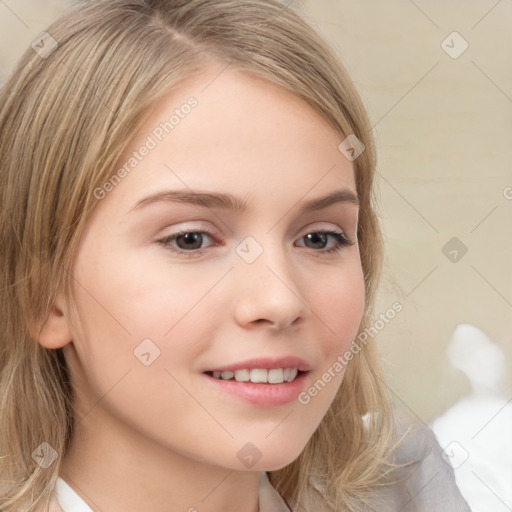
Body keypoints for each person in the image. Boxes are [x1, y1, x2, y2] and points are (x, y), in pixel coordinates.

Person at [0, 1, 471, 511]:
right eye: (191, 239)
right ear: (42, 292)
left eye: (319, 238)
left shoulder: (407, 493)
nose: (280, 299)